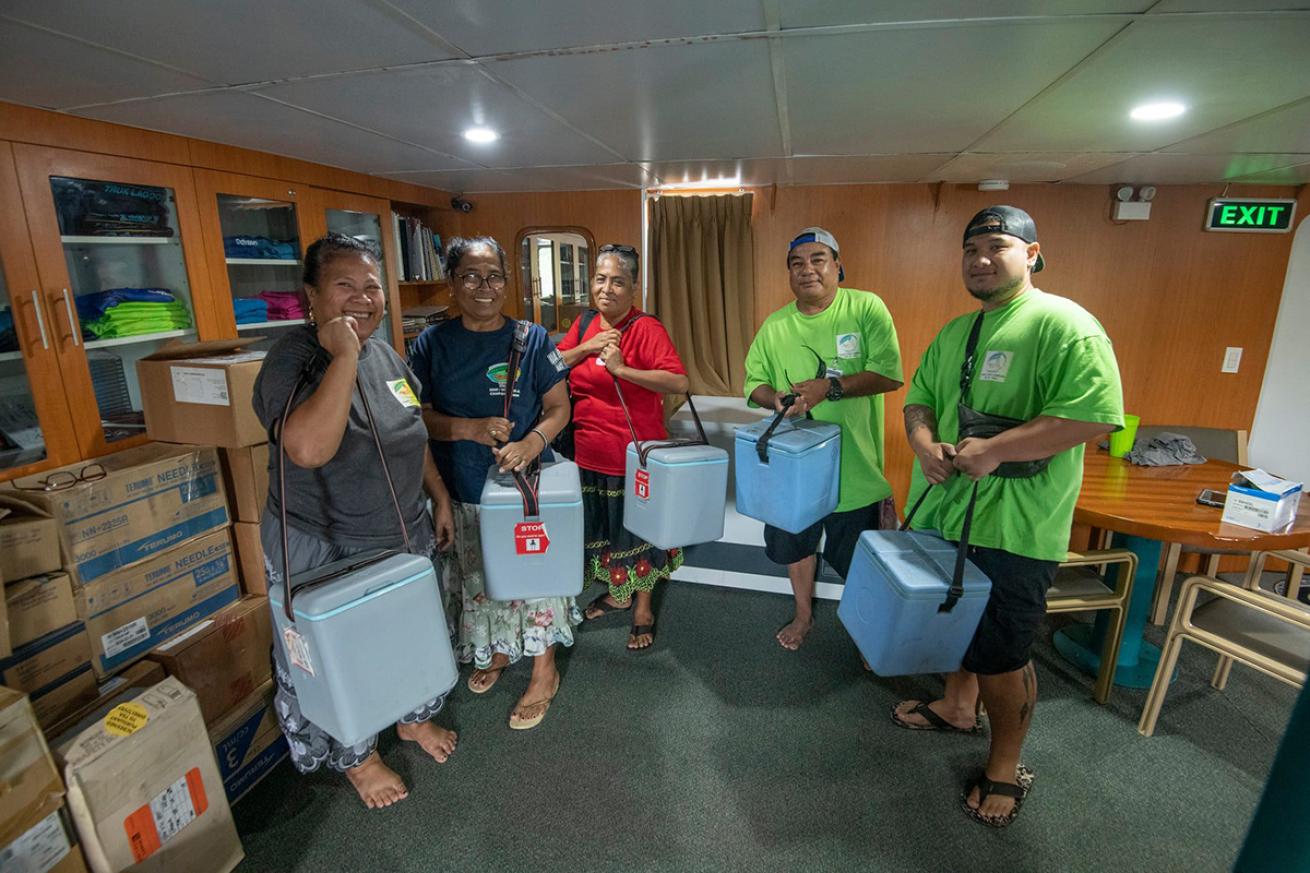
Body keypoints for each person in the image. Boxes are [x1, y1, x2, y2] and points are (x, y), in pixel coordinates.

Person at [893, 206, 1123, 828]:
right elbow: (918, 399)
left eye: (996, 245)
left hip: (1018, 527)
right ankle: (957, 706)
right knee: (954, 627)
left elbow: (1095, 417)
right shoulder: (955, 332)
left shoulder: (1064, 324)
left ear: (1033, 252)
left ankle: (1004, 765)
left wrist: (994, 449)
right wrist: (922, 443)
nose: (980, 259)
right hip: (947, 513)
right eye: (971, 249)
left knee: (1001, 651)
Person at [252, 233, 458, 810]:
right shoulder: (292, 360)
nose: (362, 298)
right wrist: (341, 355)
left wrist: (437, 495)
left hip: (400, 531)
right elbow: (309, 449)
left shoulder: (386, 352)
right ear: (311, 297)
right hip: (327, 542)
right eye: (345, 285)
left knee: (406, 638)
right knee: (342, 656)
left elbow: (410, 432)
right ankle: (358, 757)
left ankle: (411, 721)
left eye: (372, 287)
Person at [409, 236, 578, 730]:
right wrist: (468, 429)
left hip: (523, 491)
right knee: (477, 578)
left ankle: (544, 672)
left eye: (494, 277)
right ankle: (498, 650)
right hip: (461, 487)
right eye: (470, 276)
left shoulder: (532, 339)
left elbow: (558, 407)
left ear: (508, 282)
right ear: (452, 283)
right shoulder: (430, 344)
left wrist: (531, 443)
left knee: (535, 579)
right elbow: (414, 418)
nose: (484, 287)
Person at [743, 227, 903, 650]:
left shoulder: (866, 307)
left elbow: (888, 374)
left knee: (863, 562)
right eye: (797, 263)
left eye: (818, 260)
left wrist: (827, 388)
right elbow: (754, 382)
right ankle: (803, 613)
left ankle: (869, 631)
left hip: (855, 470)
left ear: (838, 266)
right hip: (794, 471)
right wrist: (772, 398)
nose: (807, 269)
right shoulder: (776, 325)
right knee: (797, 546)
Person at [556, 244, 690, 650]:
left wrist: (621, 369)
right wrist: (586, 349)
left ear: (633, 286)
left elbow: (678, 383)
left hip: (634, 456)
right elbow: (553, 364)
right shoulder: (583, 326)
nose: (607, 288)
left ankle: (643, 609)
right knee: (605, 532)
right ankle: (619, 593)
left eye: (618, 280)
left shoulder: (646, 328)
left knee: (638, 536)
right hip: (587, 454)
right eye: (600, 279)